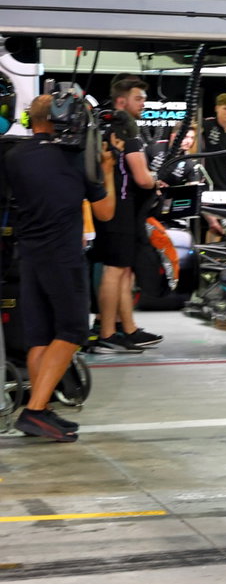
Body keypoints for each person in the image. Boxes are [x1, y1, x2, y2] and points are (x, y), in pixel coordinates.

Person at [5, 95, 117, 440]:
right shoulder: (74, 158)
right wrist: (107, 172)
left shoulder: (14, 155)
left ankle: (44, 410)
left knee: (40, 336)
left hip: (29, 255)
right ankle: (35, 409)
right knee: (71, 332)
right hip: (63, 257)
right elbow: (105, 212)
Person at [89, 76, 160, 353]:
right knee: (115, 269)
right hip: (119, 206)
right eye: (138, 98)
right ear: (122, 100)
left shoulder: (103, 125)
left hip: (109, 204)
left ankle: (122, 327)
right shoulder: (125, 130)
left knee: (121, 269)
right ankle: (108, 332)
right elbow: (142, 178)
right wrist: (156, 179)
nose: (143, 103)